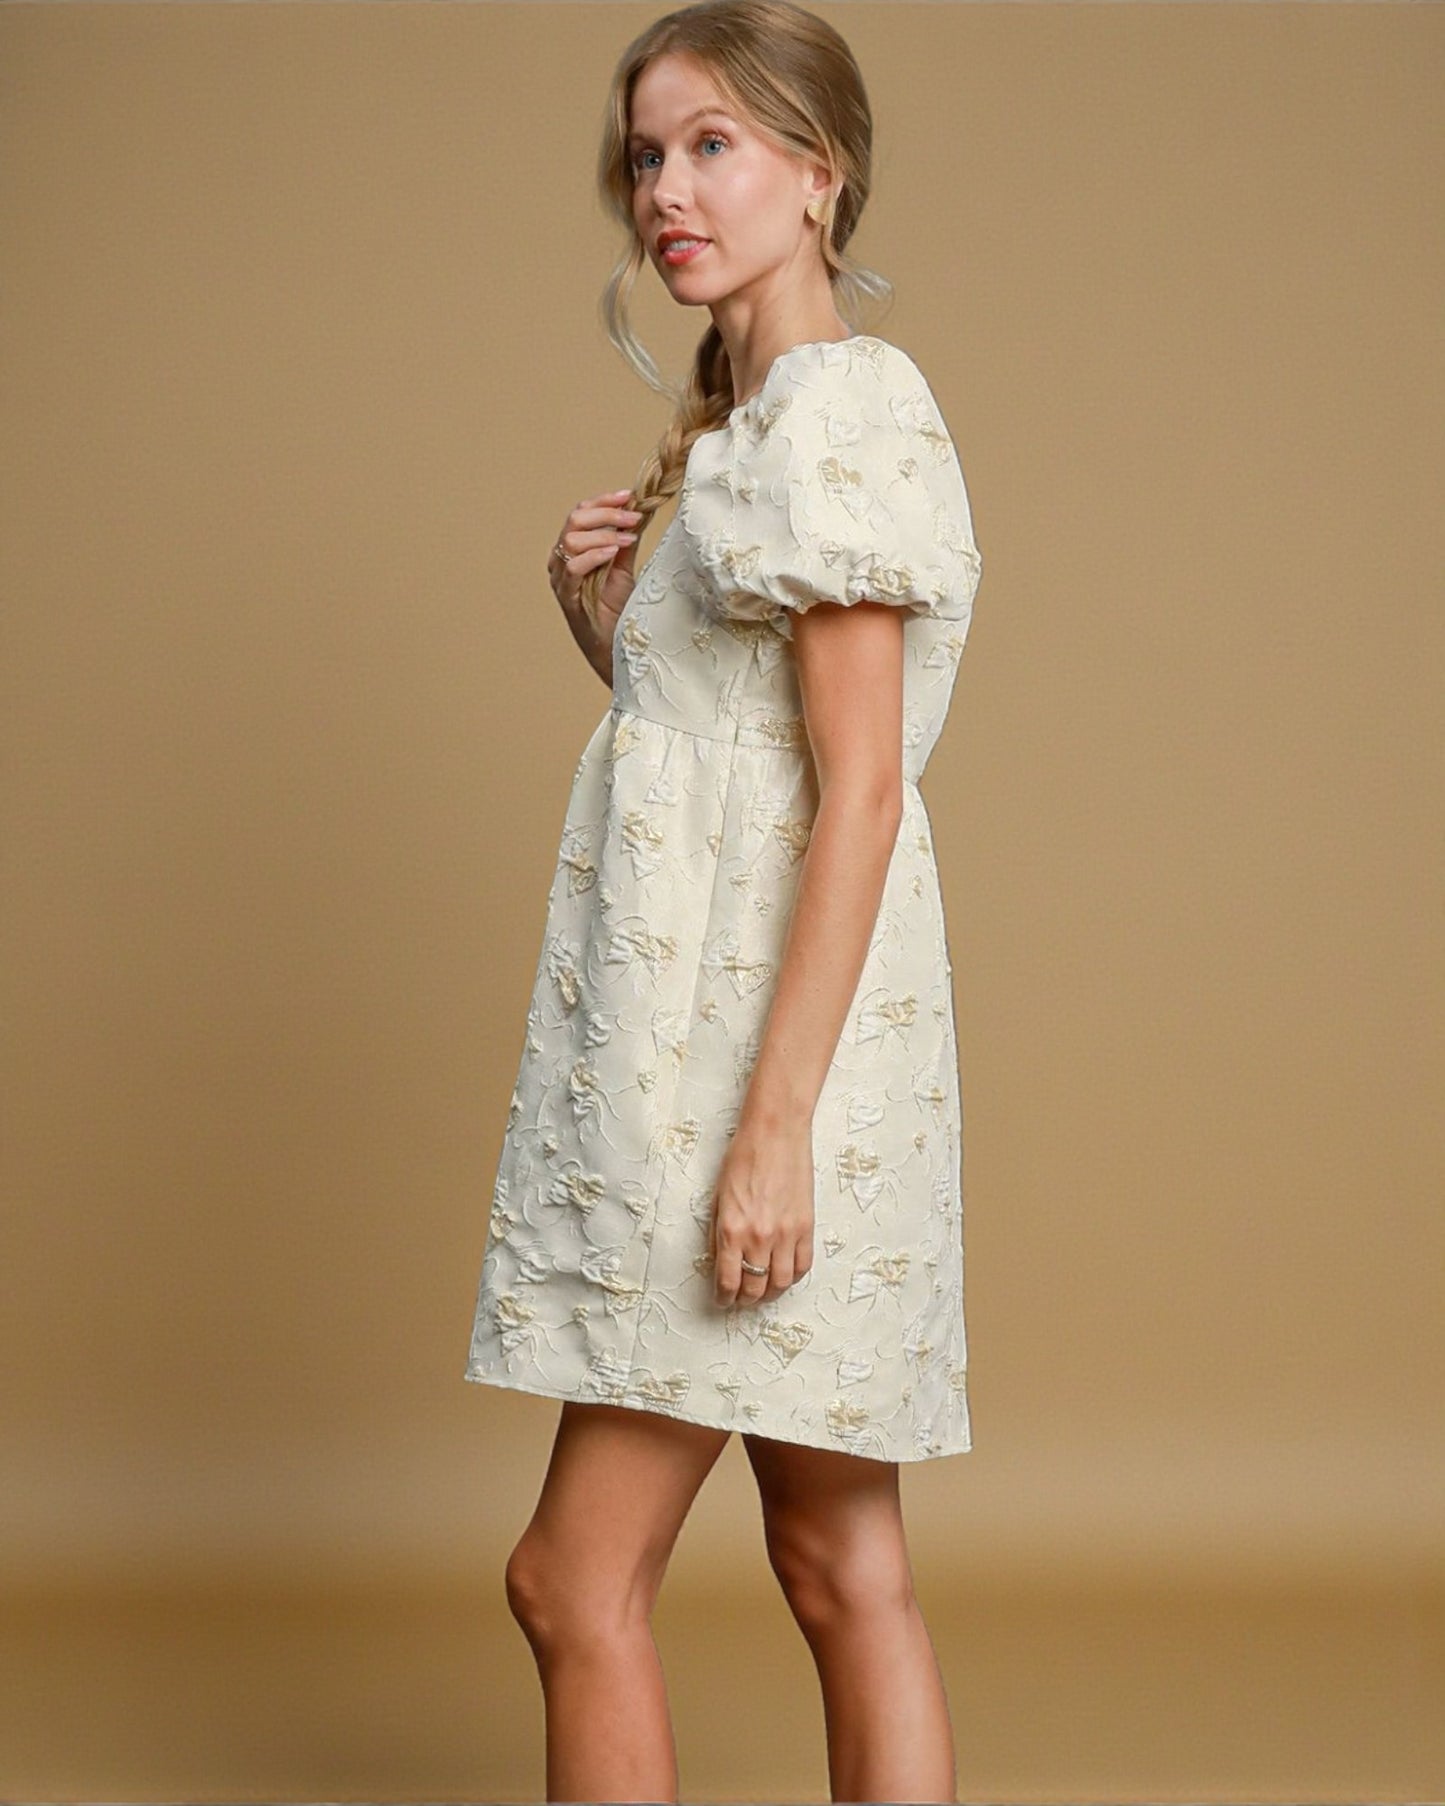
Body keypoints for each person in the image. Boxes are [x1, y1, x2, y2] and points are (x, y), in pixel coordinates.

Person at [463, 1, 984, 1798]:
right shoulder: (756, 424)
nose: (664, 191)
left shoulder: (835, 411)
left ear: (817, 172)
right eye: (644, 156)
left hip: (741, 1083)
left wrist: (767, 1136)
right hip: (754, 1051)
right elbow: (734, 764)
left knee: (571, 1578)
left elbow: (858, 797)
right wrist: (606, 629)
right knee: (840, 1566)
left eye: (711, 145)